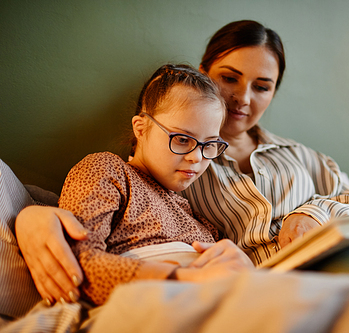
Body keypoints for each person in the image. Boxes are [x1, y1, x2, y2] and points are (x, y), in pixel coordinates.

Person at [16, 20, 349, 307]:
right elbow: (96, 232)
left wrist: (313, 212)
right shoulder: (184, 171)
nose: (243, 98)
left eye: (262, 85)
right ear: (204, 75)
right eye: (229, 78)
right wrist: (33, 217)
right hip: (298, 271)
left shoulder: (296, 153)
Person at [20, 64, 254, 306]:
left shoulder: (195, 215)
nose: (197, 157)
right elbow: (79, 262)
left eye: (209, 145)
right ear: (141, 129)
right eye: (183, 139)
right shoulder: (107, 169)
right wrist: (187, 279)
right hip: (155, 303)